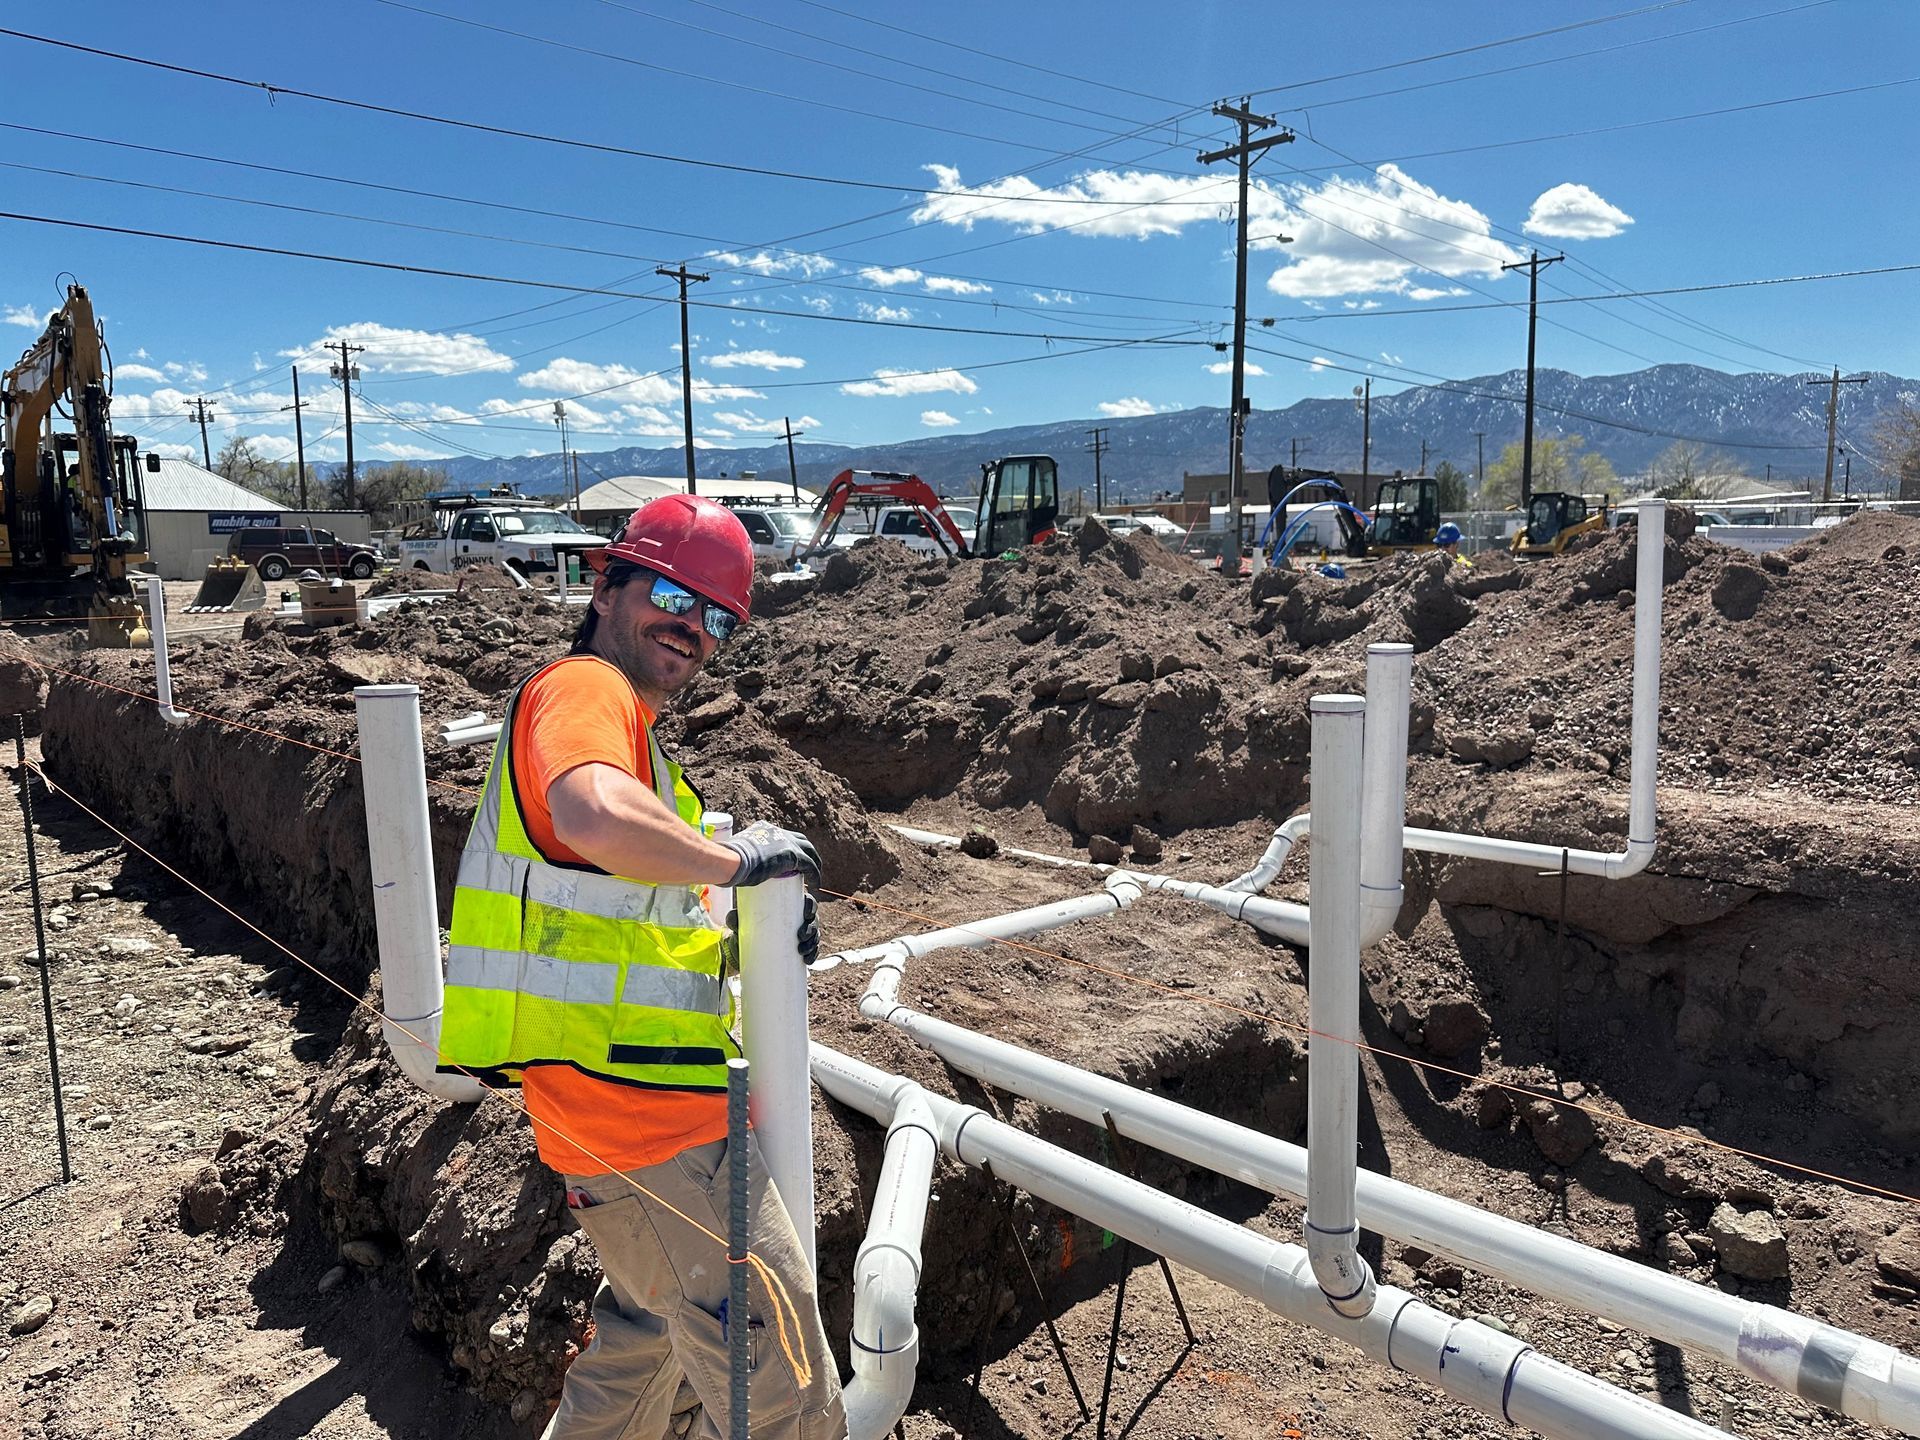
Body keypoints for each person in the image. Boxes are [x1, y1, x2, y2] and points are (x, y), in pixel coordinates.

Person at [437, 493, 845, 1440]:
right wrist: (739, 861)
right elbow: (589, 815)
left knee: (645, 1344)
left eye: (718, 618)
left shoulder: (633, 732)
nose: (693, 628)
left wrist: (752, 927)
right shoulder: (588, 690)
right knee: (782, 1387)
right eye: (673, 593)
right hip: (657, 1127)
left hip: (602, 1118)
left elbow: (629, 921)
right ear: (606, 583)